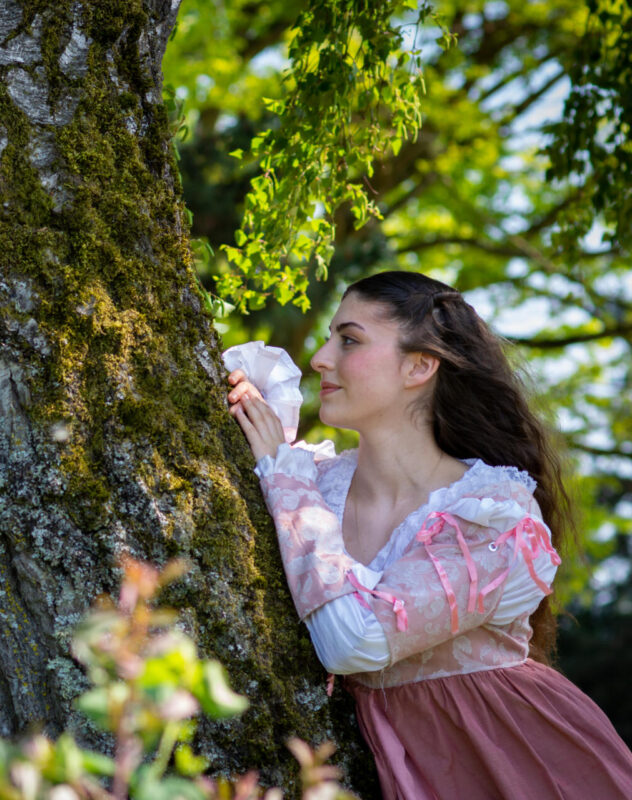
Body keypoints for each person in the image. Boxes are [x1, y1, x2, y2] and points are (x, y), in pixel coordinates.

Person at [227, 271, 632, 799]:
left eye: (348, 340)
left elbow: (354, 641)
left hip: (515, 764)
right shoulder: (314, 486)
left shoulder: (492, 512)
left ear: (419, 365)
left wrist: (280, 473)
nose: (321, 358)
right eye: (329, 338)